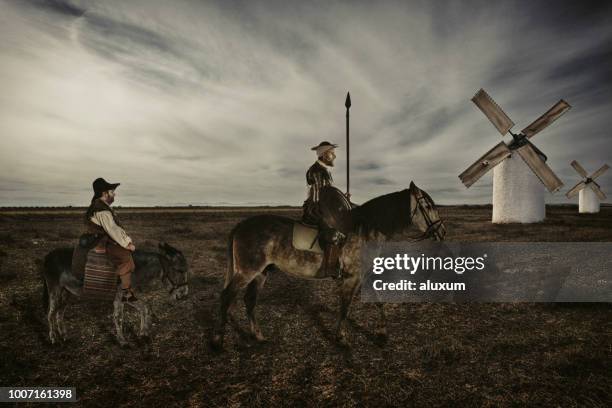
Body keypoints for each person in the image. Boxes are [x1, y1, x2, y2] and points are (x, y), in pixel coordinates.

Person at [84, 178, 137, 302]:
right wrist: (127, 244)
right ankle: (126, 293)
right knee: (125, 257)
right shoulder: (101, 209)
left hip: (101, 238)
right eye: (112, 191)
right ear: (104, 193)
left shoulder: (101, 206)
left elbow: (114, 228)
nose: (114, 194)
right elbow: (112, 229)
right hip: (101, 241)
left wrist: (126, 239)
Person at [302, 141, 346, 279]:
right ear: (324, 154)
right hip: (316, 208)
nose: (334, 156)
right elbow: (318, 196)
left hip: (324, 206)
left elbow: (330, 193)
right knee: (332, 233)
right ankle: (328, 268)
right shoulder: (316, 171)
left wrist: (343, 198)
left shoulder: (324, 171)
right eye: (332, 153)